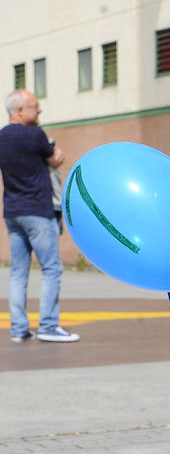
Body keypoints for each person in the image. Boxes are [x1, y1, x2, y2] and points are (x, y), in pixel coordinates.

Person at [0, 90, 79, 343]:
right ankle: (48, 325)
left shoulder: (1, 137)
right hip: (37, 210)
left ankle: (18, 329)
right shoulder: (35, 135)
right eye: (35, 107)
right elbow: (54, 160)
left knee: (18, 272)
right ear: (19, 111)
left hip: (12, 212)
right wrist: (59, 154)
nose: (39, 111)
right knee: (52, 268)